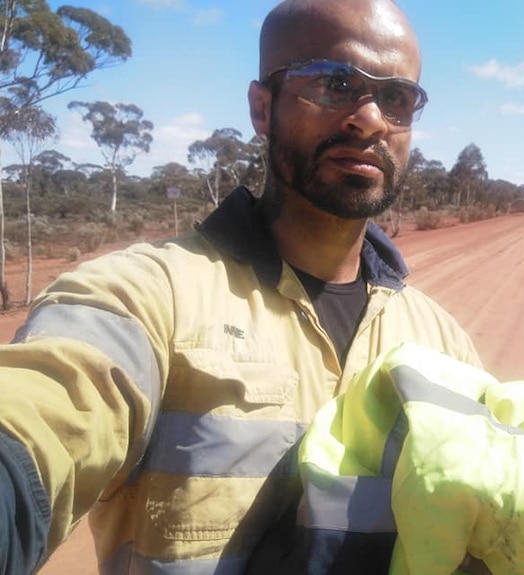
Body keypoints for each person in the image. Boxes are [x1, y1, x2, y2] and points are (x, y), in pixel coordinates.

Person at [0, 0, 482, 572]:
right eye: (335, 83)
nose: (370, 118)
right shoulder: (149, 295)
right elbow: (44, 417)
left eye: (396, 97)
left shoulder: (442, 341)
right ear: (262, 108)